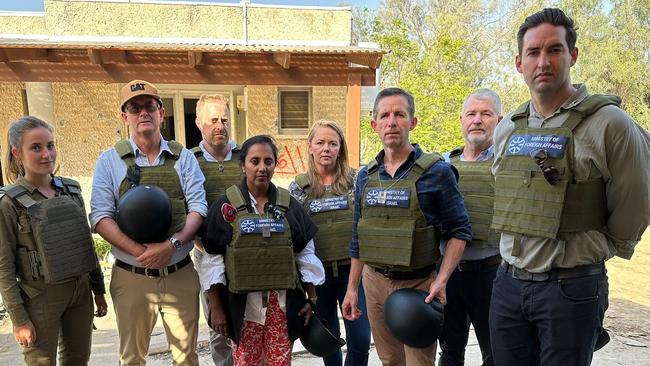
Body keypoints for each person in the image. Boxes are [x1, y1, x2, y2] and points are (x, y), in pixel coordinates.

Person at [490, 8, 650, 366]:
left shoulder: (609, 123)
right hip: (509, 285)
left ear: (573, 55)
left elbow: (634, 204)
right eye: (533, 52)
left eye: (554, 50)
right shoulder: (508, 128)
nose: (543, 61)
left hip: (571, 287)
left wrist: (597, 248)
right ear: (519, 63)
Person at [341, 87, 472, 366]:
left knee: (419, 363)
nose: (392, 122)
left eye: (399, 114)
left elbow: (459, 231)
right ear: (374, 125)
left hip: (418, 284)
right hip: (374, 282)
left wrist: (442, 280)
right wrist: (352, 289)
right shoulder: (365, 176)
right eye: (385, 115)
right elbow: (358, 237)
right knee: (389, 361)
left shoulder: (437, 172)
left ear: (412, 122)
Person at [90, 80, 207, 366]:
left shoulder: (184, 158)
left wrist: (172, 245)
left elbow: (198, 209)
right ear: (124, 116)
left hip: (179, 271)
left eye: (149, 106)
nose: (143, 113)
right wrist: (142, 253)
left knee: (187, 358)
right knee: (131, 358)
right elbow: (100, 217)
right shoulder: (109, 161)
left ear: (161, 112)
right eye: (134, 108)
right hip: (132, 276)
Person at [199, 135, 325, 366]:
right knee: (246, 362)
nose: (261, 168)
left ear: (275, 165)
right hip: (243, 308)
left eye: (268, 161)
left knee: (280, 362)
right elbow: (212, 259)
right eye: (254, 161)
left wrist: (312, 299)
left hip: (282, 305)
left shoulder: (289, 205)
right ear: (243, 164)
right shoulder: (226, 205)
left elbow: (305, 253)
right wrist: (216, 307)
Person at [0, 116, 108, 365]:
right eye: (35, 147)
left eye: (50, 145)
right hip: (40, 297)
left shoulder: (71, 191)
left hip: (80, 292)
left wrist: (98, 290)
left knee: (78, 360)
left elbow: (85, 245)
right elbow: (4, 268)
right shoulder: (9, 203)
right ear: (17, 152)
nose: (46, 154)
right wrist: (19, 319)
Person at [289, 120, 371, 366]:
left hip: (354, 273)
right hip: (319, 277)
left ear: (340, 148)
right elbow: (295, 237)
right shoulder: (298, 188)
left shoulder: (358, 180)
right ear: (310, 147)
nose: (326, 148)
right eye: (321, 142)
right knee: (327, 339)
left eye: (333, 143)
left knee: (360, 340)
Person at [438, 89, 502, 366]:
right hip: (447, 275)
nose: (478, 120)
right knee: (450, 352)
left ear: (499, 120)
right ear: (461, 119)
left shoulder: (507, 164)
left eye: (486, 114)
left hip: (491, 273)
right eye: (471, 114)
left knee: (495, 353)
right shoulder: (441, 164)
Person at [191, 94, 239, 366]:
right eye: (213, 120)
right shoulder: (188, 161)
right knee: (218, 326)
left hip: (245, 256)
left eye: (224, 119)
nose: (219, 125)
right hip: (206, 253)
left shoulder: (246, 157)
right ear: (199, 123)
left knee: (251, 321)